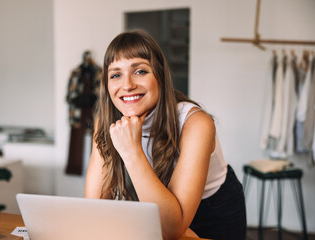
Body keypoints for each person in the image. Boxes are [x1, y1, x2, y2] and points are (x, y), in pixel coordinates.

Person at [85, 30, 246, 240]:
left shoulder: (196, 123)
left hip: (213, 210)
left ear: (160, 75)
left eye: (140, 71)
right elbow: (94, 207)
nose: (127, 85)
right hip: (159, 207)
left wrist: (132, 153)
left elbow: (171, 229)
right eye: (116, 75)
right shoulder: (107, 122)